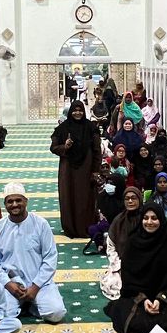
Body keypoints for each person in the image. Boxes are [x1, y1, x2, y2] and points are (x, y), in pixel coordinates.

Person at [104, 204, 167, 333]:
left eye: (154, 218)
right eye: (146, 218)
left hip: (165, 294)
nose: (149, 222)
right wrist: (143, 300)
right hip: (136, 294)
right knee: (136, 322)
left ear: (161, 220)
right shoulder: (133, 242)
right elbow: (128, 279)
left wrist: (160, 299)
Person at [0, 184, 66, 324]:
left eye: (18, 200)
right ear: (5, 204)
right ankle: (27, 305)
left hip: (39, 282)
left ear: (26, 201)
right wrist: (8, 284)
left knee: (56, 313)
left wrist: (35, 287)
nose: (14, 204)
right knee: (3, 315)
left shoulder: (40, 224)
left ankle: (29, 304)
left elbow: (50, 258)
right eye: (10, 201)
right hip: (11, 284)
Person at [51, 100, 101, 240]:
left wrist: (95, 170)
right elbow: (53, 148)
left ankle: (86, 227)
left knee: (85, 197)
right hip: (68, 170)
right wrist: (65, 147)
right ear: (70, 112)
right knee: (69, 196)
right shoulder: (62, 129)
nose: (77, 113)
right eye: (75, 110)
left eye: (80, 110)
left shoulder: (91, 128)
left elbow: (97, 150)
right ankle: (71, 228)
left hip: (86, 168)